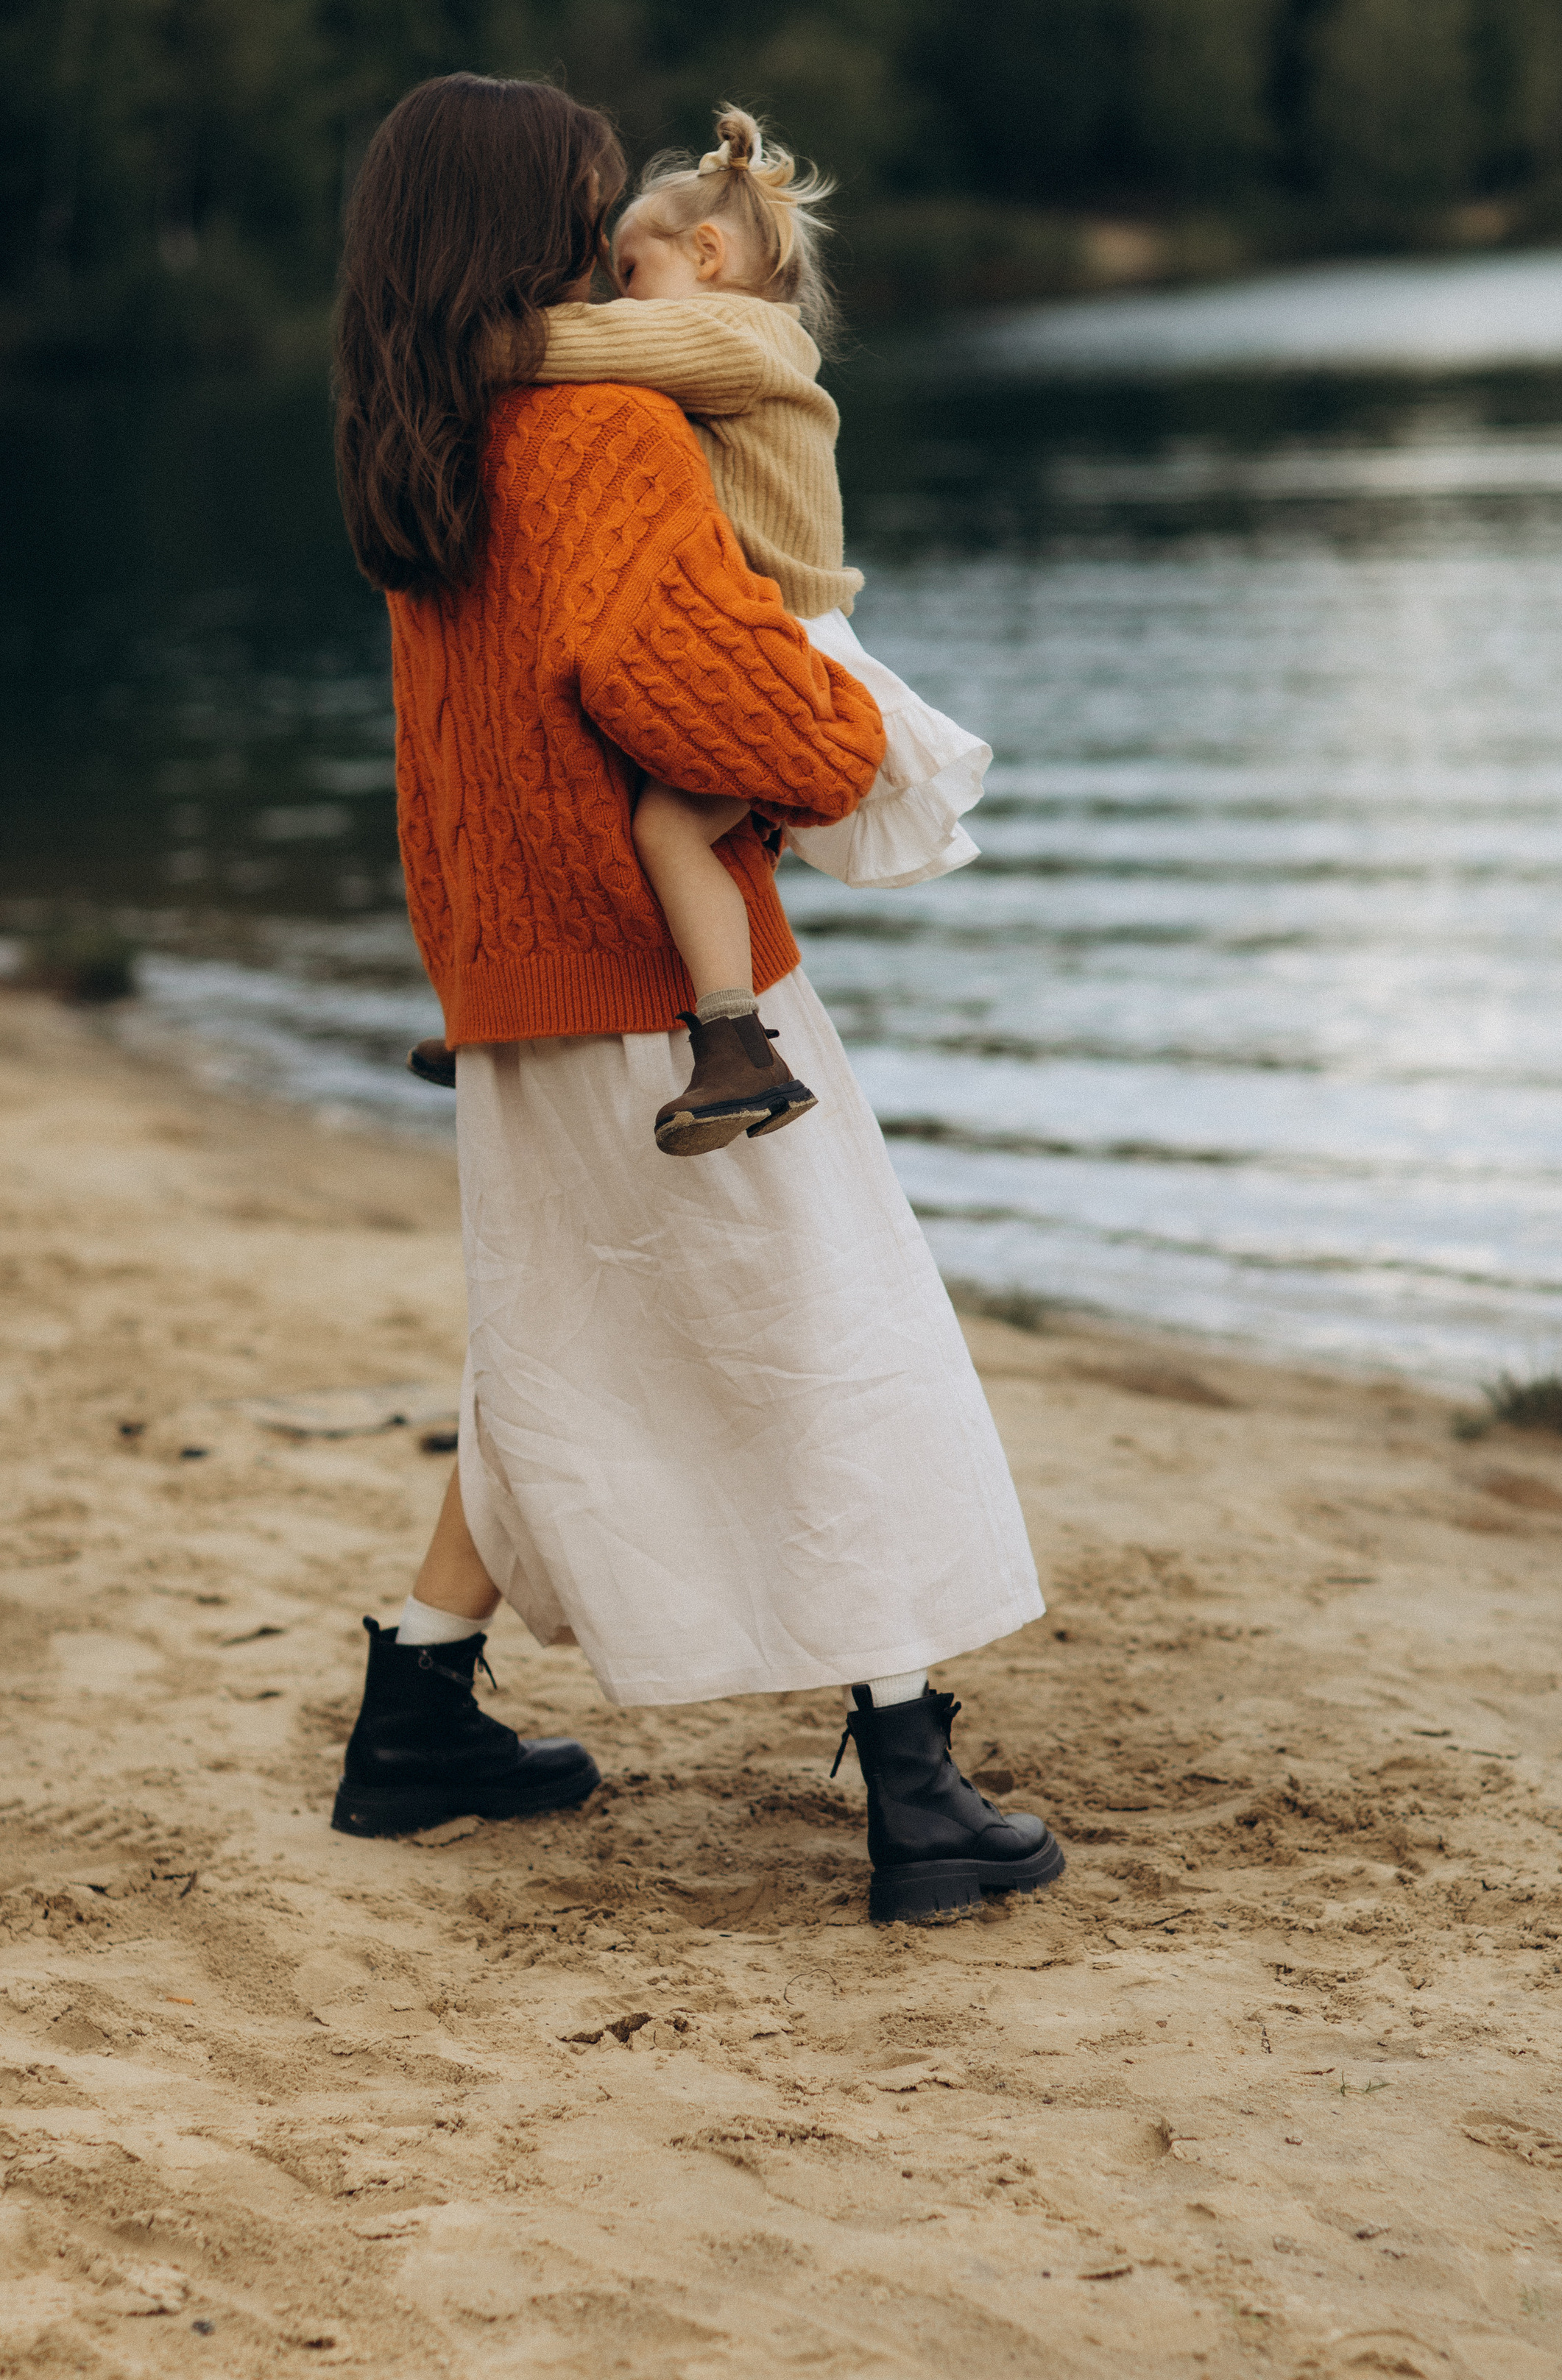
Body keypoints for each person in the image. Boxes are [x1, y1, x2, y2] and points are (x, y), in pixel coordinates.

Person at [328, 73, 1061, 1930]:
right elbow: (716, 708)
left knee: (555, 1343)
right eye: (584, 218)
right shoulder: (607, 437)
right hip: (673, 1000)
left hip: (509, 984)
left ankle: (415, 1713)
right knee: (823, 1339)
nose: (604, 255)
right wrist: (837, 728)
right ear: (527, 235)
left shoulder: (423, 450)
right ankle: (914, 1789)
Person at [408, 102, 989, 1155]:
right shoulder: (725, 345)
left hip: (781, 642)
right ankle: (508, 1003)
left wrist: (467, 344)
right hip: (740, 631)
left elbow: (587, 344)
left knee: (670, 832)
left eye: (632, 271)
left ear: (708, 256)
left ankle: (737, 1048)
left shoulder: (743, 339)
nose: (615, 294)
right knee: (613, 805)